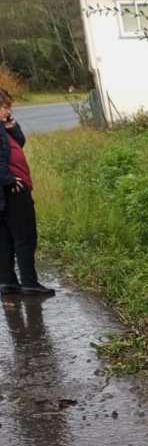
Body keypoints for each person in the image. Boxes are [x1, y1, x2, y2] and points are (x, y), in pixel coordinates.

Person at [0, 90, 55, 298]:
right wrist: (9, 179)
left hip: (8, 190)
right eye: (5, 107)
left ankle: (7, 282)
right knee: (25, 237)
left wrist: (12, 125)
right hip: (13, 190)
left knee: (4, 238)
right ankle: (29, 283)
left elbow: (19, 143)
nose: (8, 111)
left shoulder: (4, 128)